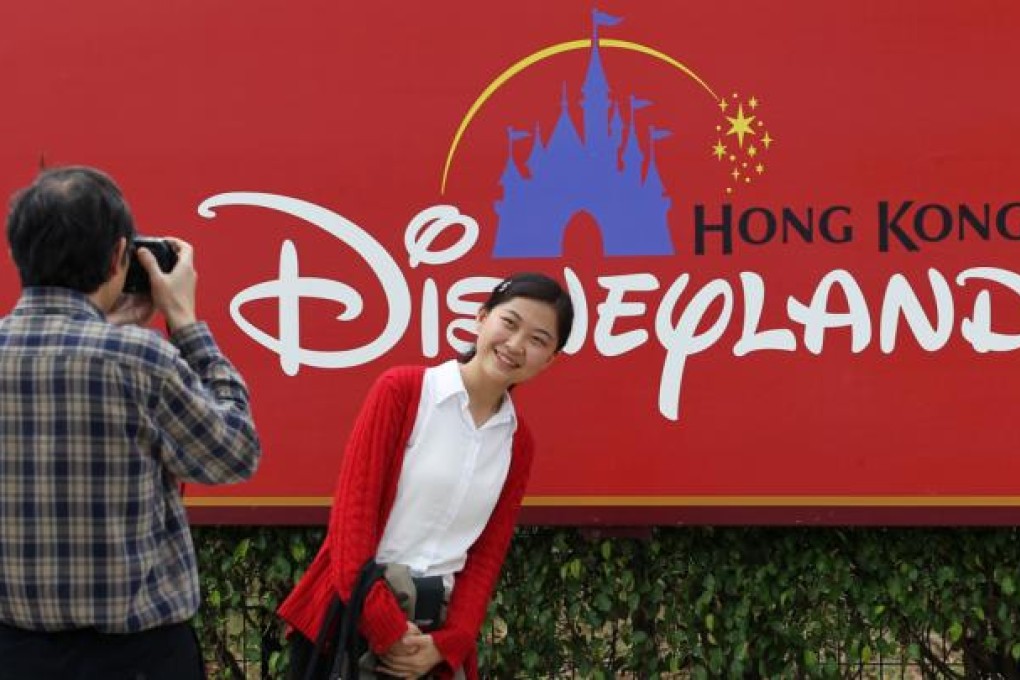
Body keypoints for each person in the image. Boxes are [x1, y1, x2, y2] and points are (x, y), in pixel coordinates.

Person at [0, 166, 262, 679]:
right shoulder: (139, 359)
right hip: (138, 657)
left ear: (16, 253)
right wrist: (184, 321)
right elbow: (235, 453)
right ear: (121, 256)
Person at [278, 273, 574, 679]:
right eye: (509, 322)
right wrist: (389, 630)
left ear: (552, 359)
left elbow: (486, 554)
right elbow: (350, 531)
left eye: (538, 340)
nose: (516, 345)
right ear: (481, 318)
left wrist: (448, 642)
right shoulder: (404, 391)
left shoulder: (518, 442)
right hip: (351, 626)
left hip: (431, 644)